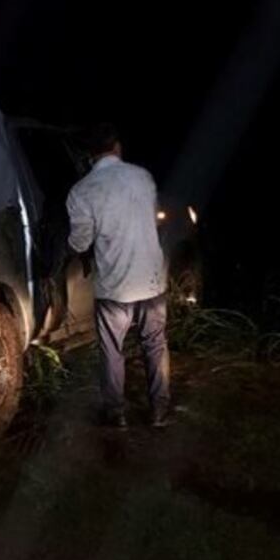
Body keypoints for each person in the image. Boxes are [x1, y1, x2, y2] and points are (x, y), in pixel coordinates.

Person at [66, 124, 169, 428]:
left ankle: (116, 414)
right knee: (155, 345)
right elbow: (154, 219)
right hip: (151, 282)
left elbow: (80, 243)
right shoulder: (143, 178)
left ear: (88, 156)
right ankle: (160, 410)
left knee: (112, 351)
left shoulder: (81, 191)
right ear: (117, 147)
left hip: (115, 288)